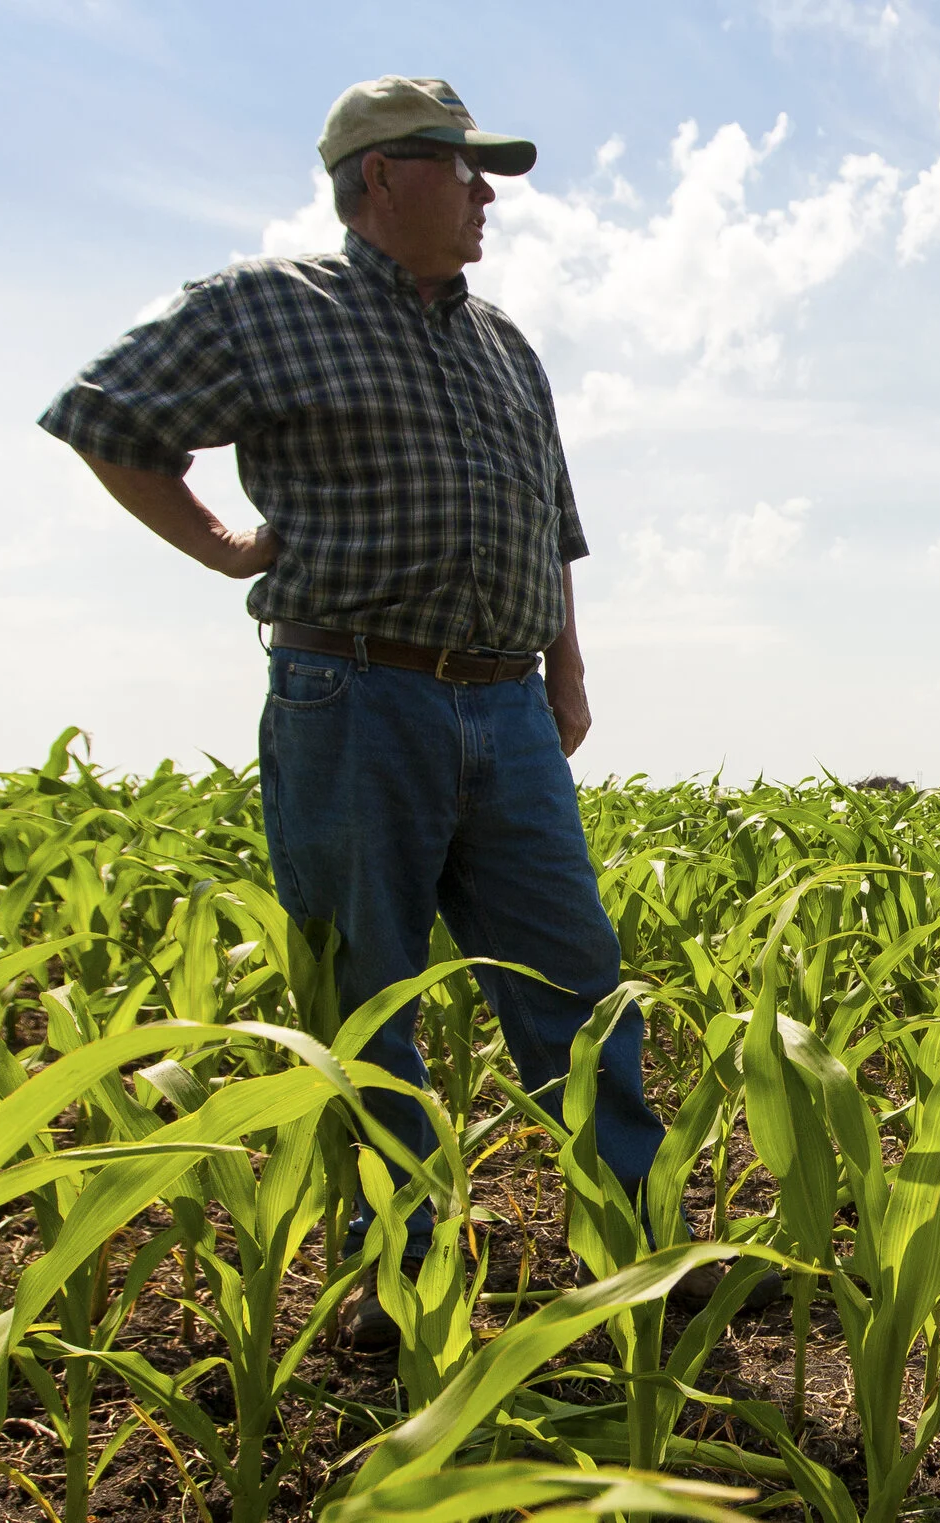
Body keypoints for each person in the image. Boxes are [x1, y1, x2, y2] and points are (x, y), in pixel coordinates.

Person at [39, 76, 668, 1350]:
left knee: (581, 987)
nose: (488, 193)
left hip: (508, 708)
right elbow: (107, 417)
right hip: (354, 694)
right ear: (382, 177)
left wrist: (568, 675)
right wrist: (221, 546)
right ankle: (402, 1279)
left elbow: (551, 528)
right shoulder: (266, 306)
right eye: (462, 165)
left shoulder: (505, 345)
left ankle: (640, 1256)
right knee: (369, 999)